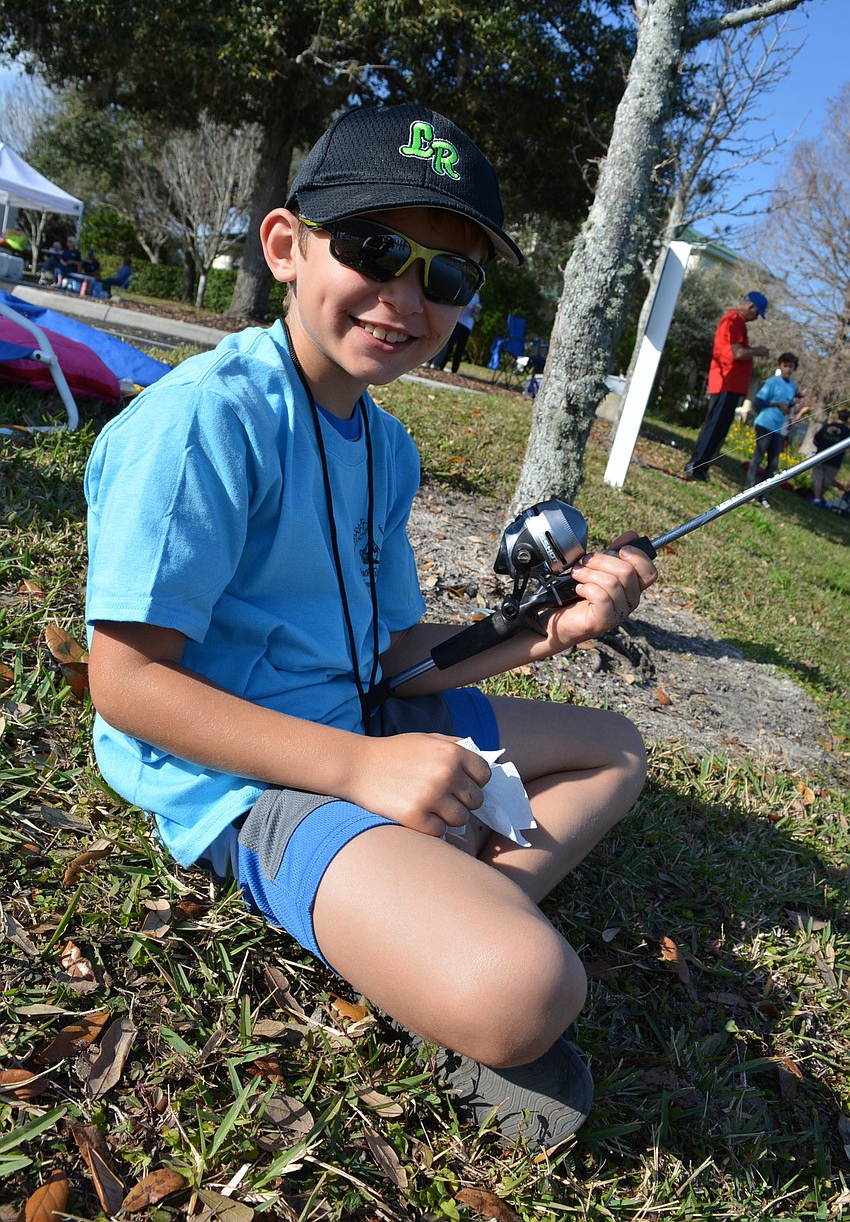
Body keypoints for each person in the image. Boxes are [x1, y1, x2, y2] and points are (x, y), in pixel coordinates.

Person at [84, 104, 657, 1149]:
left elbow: (390, 653)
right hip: (249, 771)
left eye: (446, 276)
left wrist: (551, 634)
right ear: (286, 247)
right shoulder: (201, 422)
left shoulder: (384, 447)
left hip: (363, 715)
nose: (406, 296)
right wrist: (356, 769)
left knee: (614, 749)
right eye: (376, 248)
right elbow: (125, 685)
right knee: (528, 994)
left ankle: (448, 906)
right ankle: (446, 946)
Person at [684, 291, 770, 482]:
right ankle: (696, 466)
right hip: (727, 382)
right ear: (750, 307)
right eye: (757, 314)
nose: (756, 318)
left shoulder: (735, 321)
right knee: (716, 426)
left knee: (718, 427)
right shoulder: (734, 320)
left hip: (730, 384)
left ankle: (700, 466)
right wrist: (758, 351)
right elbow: (737, 353)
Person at [745, 353, 799, 506]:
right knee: (758, 456)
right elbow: (758, 401)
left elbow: (788, 404)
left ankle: (762, 494)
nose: (787, 369)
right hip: (765, 423)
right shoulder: (772, 382)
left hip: (779, 428)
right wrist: (776, 405)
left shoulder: (792, 386)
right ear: (780, 366)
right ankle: (748, 489)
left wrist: (791, 409)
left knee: (773, 462)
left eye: (790, 366)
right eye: (785, 365)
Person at [429, 290, 482, 372]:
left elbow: (476, 312)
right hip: (457, 321)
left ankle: (454, 370)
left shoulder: (476, 296)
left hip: (467, 325)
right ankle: (440, 365)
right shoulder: (465, 290)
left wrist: (475, 311)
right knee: (449, 344)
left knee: (460, 348)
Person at [811, 408, 850, 505]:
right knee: (826, 481)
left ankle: (817, 498)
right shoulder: (847, 431)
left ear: (838, 415)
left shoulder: (827, 426)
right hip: (835, 461)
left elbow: (815, 440)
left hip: (820, 457)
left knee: (818, 478)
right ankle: (818, 499)